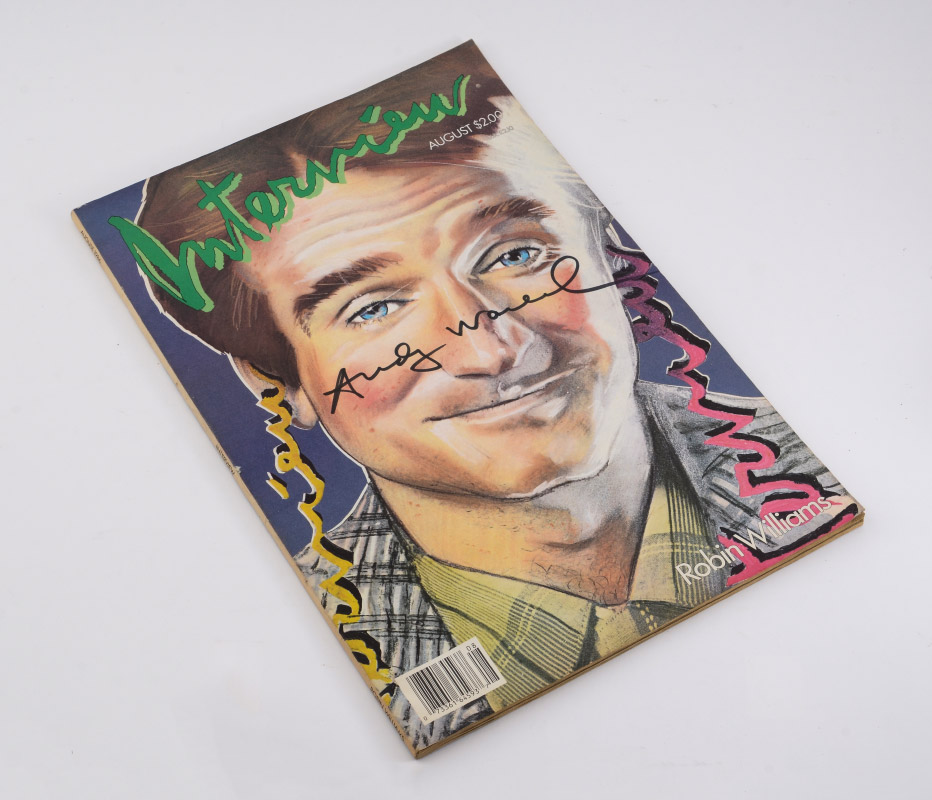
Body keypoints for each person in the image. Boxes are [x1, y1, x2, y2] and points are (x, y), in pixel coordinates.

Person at [122, 44, 857, 750]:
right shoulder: (300, 669)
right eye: (374, 308)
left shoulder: (815, 461)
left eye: (516, 254)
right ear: (279, 383)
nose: (492, 350)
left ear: (608, 248)